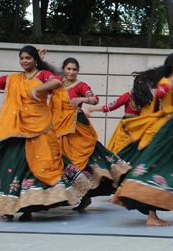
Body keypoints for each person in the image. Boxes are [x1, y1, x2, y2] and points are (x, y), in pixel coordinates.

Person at [0, 45, 90, 221]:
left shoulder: (42, 75)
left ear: (35, 60)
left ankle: (27, 209)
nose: (24, 61)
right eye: (21, 58)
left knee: (41, 167)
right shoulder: (13, 79)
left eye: (27, 58)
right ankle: (9, 206)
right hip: (18, 130)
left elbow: (57, 81)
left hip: (40, 129)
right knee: (11, 167)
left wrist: (36, 89)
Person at [110, 52, 173, 226]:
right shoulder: (166, 83)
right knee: (158, 167)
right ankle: (152, 216)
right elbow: (161, 95)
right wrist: (169, 84)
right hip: (167, 129)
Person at [49, 57, 132, 210]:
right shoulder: (56, 85)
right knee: (60, 161)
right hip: (58, 127)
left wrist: (82, 99)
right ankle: (67, 196)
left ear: (77, 71)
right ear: (63, 70)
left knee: (83, 162)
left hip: (77, 128)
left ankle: (88, 194)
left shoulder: (81, 85)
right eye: (68, 69)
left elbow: (94, 99)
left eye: (74, 69)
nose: (71, 72)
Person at [87, 70, 154, 162]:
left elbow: (111, 106)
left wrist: (93, 109)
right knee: (133, 152)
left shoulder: (129, 96)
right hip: (138, 129)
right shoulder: (149, 100)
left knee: (119, 150)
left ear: (134, 85)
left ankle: (116, 168)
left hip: (125, 127)